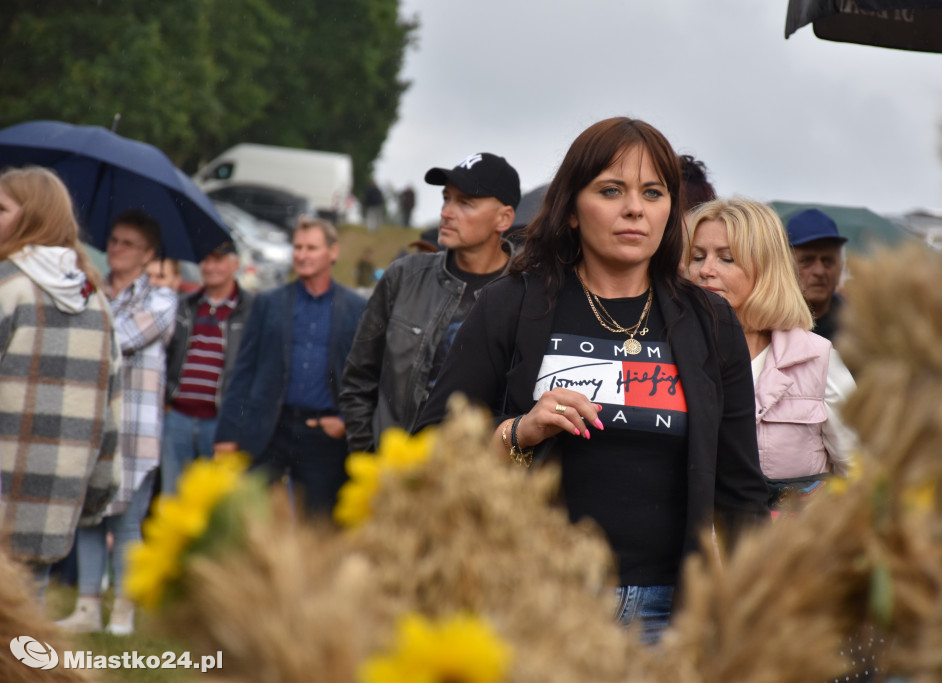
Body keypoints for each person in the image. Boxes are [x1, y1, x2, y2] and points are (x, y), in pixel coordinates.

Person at [416, 119, 768, 644]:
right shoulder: (511, 304)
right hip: (539, 603)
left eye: (653, 193)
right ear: (573, 210)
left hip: (667, 614)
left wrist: (758, 612)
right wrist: (519, 431)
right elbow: (427, 447)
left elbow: (740, 489)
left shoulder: (709, 321)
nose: (635, 209)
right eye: (611, 190)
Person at [683, 198, 858, 510]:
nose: (705, 270)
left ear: (765, 269)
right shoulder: (667, 350)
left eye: (726, 258)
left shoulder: (815, 359)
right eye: (697, 257)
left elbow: (863, 475)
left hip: (786, 552)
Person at [339, 152, 520, 452]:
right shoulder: (404, 277)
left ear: (504, 218)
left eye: (465, 203)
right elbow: (359, 379)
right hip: (395, 474)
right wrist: (372, 459)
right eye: (446, 198)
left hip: (477, 481)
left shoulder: (528, 292)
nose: (447, 212)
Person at [0, 167, 122, 600]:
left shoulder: (7, 287)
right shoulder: (97, 304)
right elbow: (111, 413)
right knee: (24, 643)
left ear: (32, 218)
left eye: (1, 209)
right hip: (53, 503)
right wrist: (99, 491)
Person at [60, 208, 177, 635]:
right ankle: (88, 606)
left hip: (136, 431)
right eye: (112, 240)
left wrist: (88, 310)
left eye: (127, 243)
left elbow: (114, 340)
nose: (115, 249)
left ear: (148, 254)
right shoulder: (91, 290)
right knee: (89, 517)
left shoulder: (162, 300)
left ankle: (124, 610)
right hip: (92, 425)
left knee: (128, 522)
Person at [214, 218, 365, 516]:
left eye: (312, 247)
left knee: (319, 531)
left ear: (332, 253)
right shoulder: (268, 303)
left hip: (323, 436)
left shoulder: (356, 308)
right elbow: (243, 372)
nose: (302, 255)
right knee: (255, 524)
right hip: (269, 430)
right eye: (297, 247)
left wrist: (346, 422)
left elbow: (367, 376)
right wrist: (227, 434)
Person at [161, 240, 253, 495]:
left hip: (220, 423)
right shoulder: (185, 305)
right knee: (173, 499)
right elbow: (167, 355)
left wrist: (238, 423)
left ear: (235, 264)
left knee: (217, 505)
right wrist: (167, 400)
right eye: (206, 260)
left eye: (218, 260)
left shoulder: (251, 310)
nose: (210, 266)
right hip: (178, 418)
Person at [785, 208, 848, 342]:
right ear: (785, 267)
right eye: (807, 260)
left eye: (828, 261)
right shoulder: (768, 328)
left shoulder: (857, 329)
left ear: (840, 267)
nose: (819, 271)